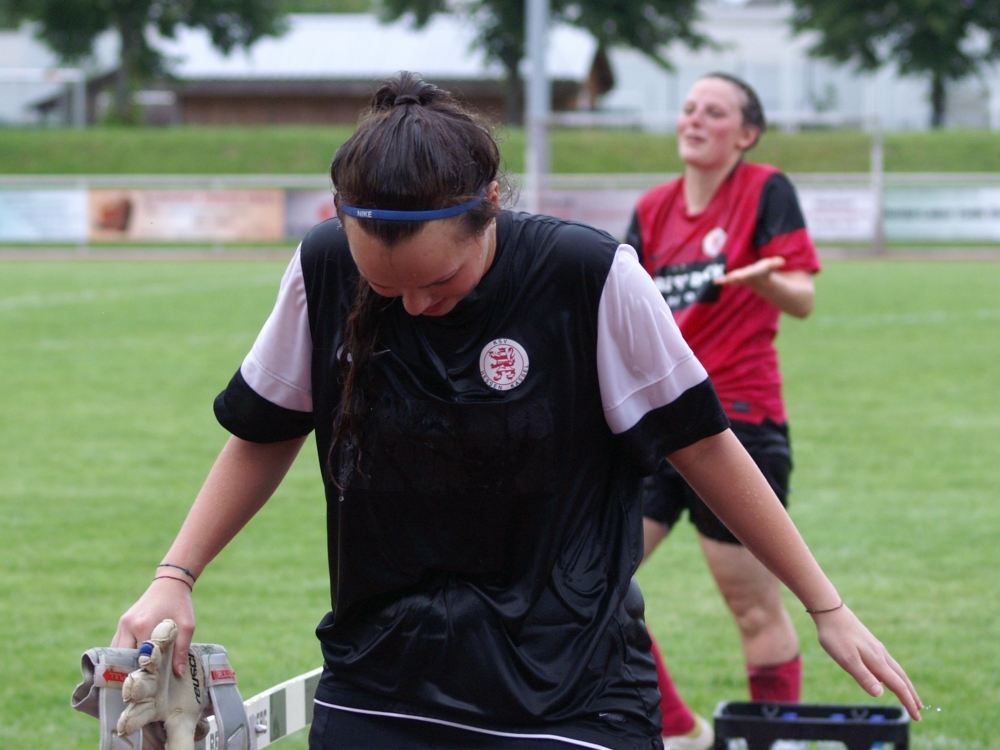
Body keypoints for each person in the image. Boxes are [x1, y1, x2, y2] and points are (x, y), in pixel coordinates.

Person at [113, 72, 920, 750]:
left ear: (492, 203)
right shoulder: (323, 266)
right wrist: (174, 575)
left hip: (568, 694)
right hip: (379, 680)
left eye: (441, 283)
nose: (416, 307)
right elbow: (266, 428)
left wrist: (827, 606)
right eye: (387, 291)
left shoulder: (588, 276)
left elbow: (703, 446)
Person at [625, 72, 822, 749]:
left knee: (753, 606)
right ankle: (679, 731)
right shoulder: (653, 208)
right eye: (687, 108)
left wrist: (769, 277)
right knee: (589, 581)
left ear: (746, 133)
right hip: (656, 425)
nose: (695, 119)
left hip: (740, 421)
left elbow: (803, 297)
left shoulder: (765, 189)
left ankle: (775, 740)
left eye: (714, 112)